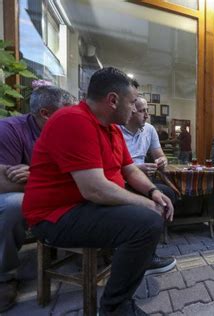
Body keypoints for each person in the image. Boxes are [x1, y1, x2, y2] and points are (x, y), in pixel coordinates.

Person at [22, 67, 174, 315]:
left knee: (158, 204)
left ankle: (135, 262)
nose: (135, 108)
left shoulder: (111, 128)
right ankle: (115, 308)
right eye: (132, 102)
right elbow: (94, 189)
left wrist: (151, 192)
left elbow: (129, 170)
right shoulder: (73, 120)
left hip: (85, 205)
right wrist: (146, 205)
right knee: (146, 222)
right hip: (55, 216)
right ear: (113, 100)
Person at [0, 86, 75, 312]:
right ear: (46, 113)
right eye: (67, 110)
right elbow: (4, 183)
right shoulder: (10, 130)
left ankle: (82, 250)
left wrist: (36, 175)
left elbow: (76, 175)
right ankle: (5, 277)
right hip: (28, 197)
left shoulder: (68, 132)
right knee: (14, 204)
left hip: (51, 192)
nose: (73, 116)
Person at [119, 96, 177, 273]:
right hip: (122, 178)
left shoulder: (149, 130)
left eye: (147, 111)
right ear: (131, 111)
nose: (147, 115)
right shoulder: (116, 130)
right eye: (143, 110)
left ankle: (149, 247)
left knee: (169, 194)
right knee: (154, 201)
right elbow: (113, 166)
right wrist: (138, 168)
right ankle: (141, 254)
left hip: (144, 178)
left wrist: (161, 161)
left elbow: (160, 154)